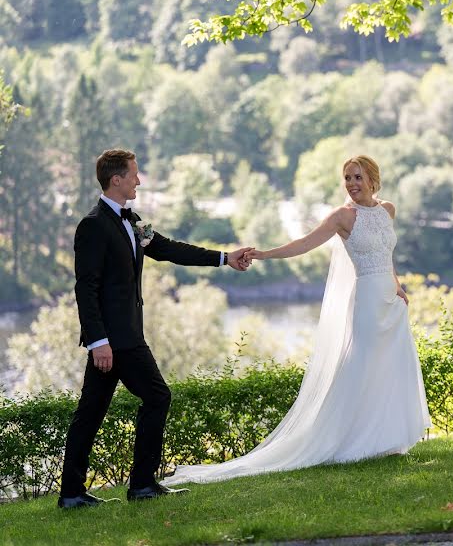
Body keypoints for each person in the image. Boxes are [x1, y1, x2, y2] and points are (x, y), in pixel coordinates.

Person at [162, 155, 431, 485]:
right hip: (366, 303)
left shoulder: (387, 210)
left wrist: (398, 285)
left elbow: (386, 253)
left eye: (358, 177)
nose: (351, 183)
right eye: (347, 177)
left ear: (373, 179)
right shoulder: (342, 216)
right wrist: (264, 254)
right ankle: (349, 441)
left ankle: (385, 440)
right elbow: (304, 244)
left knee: (389, 367)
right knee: (360, 366)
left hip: (390, 300)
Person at [58, 149, 254, 508]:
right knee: (157, 396)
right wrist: (98, 341)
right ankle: (141, 486)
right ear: (116, 179)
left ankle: (72, 493)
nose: (139, 180)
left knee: (91, 411)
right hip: (116, 340)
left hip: (124, 335)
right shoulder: (93, 224)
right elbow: (85, 287)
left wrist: (225, 258)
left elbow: (168, 250)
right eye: (134, 174)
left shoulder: (132, 221)